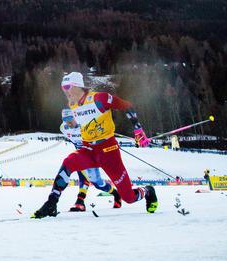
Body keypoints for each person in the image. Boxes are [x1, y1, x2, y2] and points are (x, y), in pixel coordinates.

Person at [32, 72, 158, 218]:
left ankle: (148, 190)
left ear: (78, 86)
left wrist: (138, 129)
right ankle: (51, 203)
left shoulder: (99, 98)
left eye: (67, 86)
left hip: (108, 150)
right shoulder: (72, 105)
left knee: (128, 198)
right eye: (62, 87)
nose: (65, 91)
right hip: (88, 149)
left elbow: (127, 105)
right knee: (68, 163)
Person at [60, 108, 122, 211]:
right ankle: (80, 202)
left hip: (95, 154)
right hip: (82, 154)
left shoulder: (86, 124)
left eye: (70, 119)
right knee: (81, 171)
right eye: (66, 119)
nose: (69, 123)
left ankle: (116, 194)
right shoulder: (63, 128)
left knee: (98, 183)